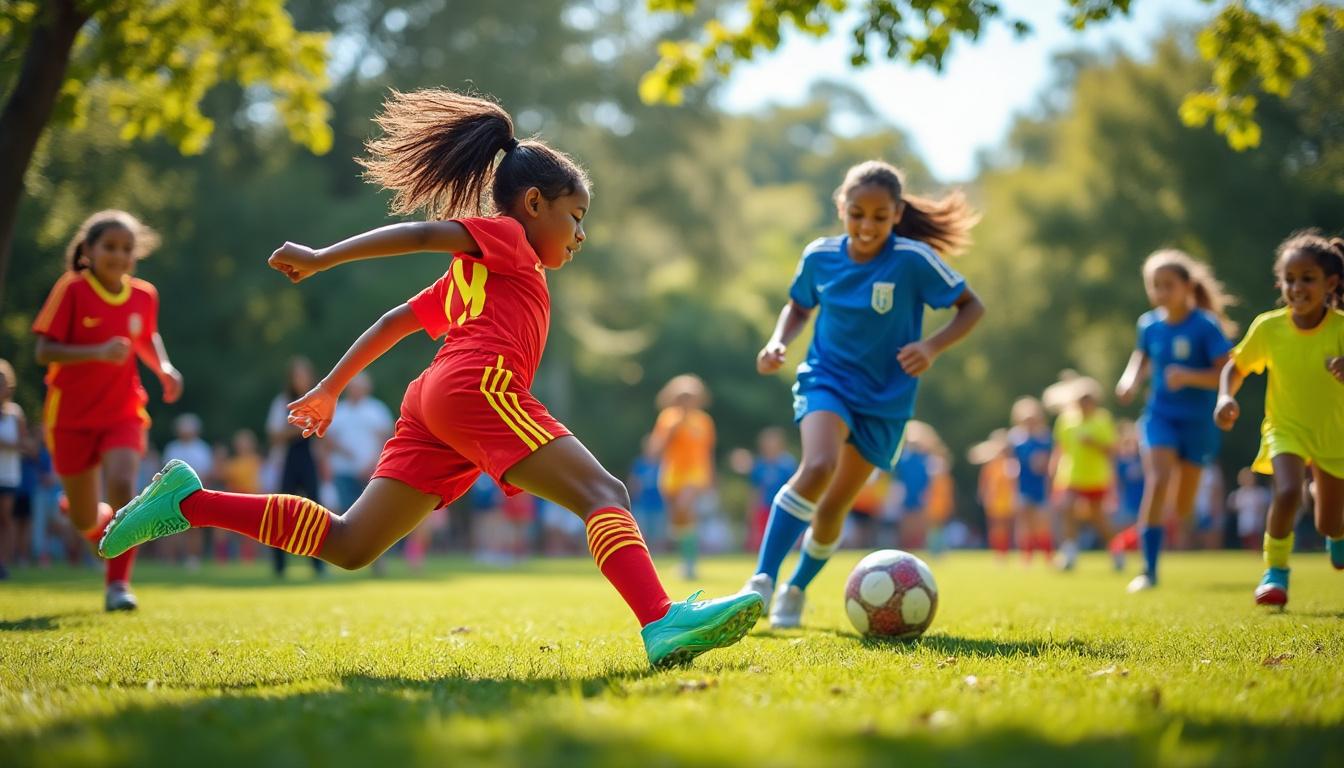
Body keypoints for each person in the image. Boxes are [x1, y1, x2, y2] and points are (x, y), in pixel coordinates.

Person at [100, 88, 761, 667]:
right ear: (534, 203)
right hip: (480, 387)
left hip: (437, 402)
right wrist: (323, 256)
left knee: (351, 542)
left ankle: (187, 502)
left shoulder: (478, 278)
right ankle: (660, 622)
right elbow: (422, 235)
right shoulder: (508, 239)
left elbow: (394, 321)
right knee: (603, 489)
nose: (581, 233)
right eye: (576, 214)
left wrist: (331, 386)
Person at [741, 159, 984, 628]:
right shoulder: (820, 257)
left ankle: (795, 590)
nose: (866, 225)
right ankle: (761, 583)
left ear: (896, 215)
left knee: (833, 507)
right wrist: (778, 342)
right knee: (817, 467)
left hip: (886, 399)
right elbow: (798, 306)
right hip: (827, 378)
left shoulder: (912, 260)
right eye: (857, 213)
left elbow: (972, 306)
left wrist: (931, 347)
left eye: (878, 216)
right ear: (841, 207)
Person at [31, 210, 183, 609]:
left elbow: (146, 336)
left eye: (127, 249)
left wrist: (164, 369)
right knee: (85, 521)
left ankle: (118, 585)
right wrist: (96, 352)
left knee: (122, 483)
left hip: (123, 411)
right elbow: (44, 351)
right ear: (89, 251)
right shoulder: (73, 289)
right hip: (70, 418)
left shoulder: (144, 295)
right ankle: (87, 513)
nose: (119, 256)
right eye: (110, 247)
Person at [1214, 230, 1344, 606]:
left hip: (1334, 435)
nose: (1297, 287)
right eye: (1290, 279)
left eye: (1308, 279)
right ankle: (1276, 573)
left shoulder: (1339, 329)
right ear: (1280, 283)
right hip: (1284, 427)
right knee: (1287, 491)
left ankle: (1335, 531)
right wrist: (1225, 397)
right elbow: (1234, 368)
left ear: (1330, 283)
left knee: (1329, 523)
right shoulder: (1269, 328)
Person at [1115, 249, 1235, 592]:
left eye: (1168, 285)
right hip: (1159, 416)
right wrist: (1129, 381)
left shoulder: (1205, 326)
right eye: (1155, 286)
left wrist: (1189, 377)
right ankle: (1148, 570)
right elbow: (1140, 357)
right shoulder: (1148, 324)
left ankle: (1188, 521)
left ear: (1187, 286)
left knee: (1183, 507)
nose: (1160, 292)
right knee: (1158, 479)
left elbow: (1227, 374)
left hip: (1199, 423)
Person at [1045, 373, 1117, 571]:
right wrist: (1052, 471)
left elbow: (1113, 450)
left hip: (1095, 477)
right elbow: (1060, 448)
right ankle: (1069, 553)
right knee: (1067, 508)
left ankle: (1116, 550)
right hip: (1071, 475)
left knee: (1098, 518)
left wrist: (1094, 444)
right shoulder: (1066, 421)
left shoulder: (1103, 420)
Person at [265, 357, 327, 577]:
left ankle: (319, 565)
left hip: (309, 462)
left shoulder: (318, 400)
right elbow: (274, 435)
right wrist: (300, 426)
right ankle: (279, 566)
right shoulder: (282, 402)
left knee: (316, 513)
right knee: (281, 512)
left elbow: (323, 437)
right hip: (287, 463)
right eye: (297, 375)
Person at [649, 374, 716, 579]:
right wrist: (673, 429)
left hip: (695, 474)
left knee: (686, 508)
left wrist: (712, 478)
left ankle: (690, 564)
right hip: (672, 475)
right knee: (679, 520)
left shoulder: (704, 421)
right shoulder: (668, 419)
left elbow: (708, 452)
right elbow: (655, 450)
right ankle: (686, 559)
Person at [163, 413, 213, 569]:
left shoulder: (202, 448)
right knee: (170, 527)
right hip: (173, 493)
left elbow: (206, 472)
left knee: (194, 527)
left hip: (195, 493)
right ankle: (171, 560)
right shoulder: (172, 447)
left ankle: (193, 558)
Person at [1008, 397, 1054, 561]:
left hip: (1040, 486)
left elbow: (1051, 463)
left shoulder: (1045, 438)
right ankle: (1026, 556)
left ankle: (1048, 555)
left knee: (1042, 522)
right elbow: (1012, 462)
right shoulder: (1016, 439)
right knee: (1024, 522)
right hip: (1023, 485)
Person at [744, 427, 797, 552]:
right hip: (765, 508)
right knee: (763, 540)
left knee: (782, 539)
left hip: (783, 507)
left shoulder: (787, 464)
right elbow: (755, 490)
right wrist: (751, 510)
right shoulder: (760, 465)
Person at [970, 429, 1016, 561]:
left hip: (1007, 499)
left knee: (1007, 526)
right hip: (994, 500)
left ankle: (1006, 551)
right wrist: (984, 495)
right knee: (996, 527)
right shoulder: (991, 465)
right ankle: (999, 552)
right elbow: (985, 482)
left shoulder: (1010, 463)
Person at [0, 359, 25, 578]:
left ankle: (4, 562)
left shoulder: (15, 414)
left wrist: (8, 445)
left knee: (6, 520)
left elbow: (25, 445)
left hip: (8, 474)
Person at [628, 435, 666, 552]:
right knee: (642, 534)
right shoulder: (639, 464)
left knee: (659, 536)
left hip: (659, 504)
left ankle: (659, 558)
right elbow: (633, 483)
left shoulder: (663, 464)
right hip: (642, 504)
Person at [1228, 467, 1270, 551]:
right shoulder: (1238, 494)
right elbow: (1232, 507)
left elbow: (1265, 509)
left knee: (1255, 544)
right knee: (1246, 544)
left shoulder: (1260, 492)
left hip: (1256, 525)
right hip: (1244, 524)